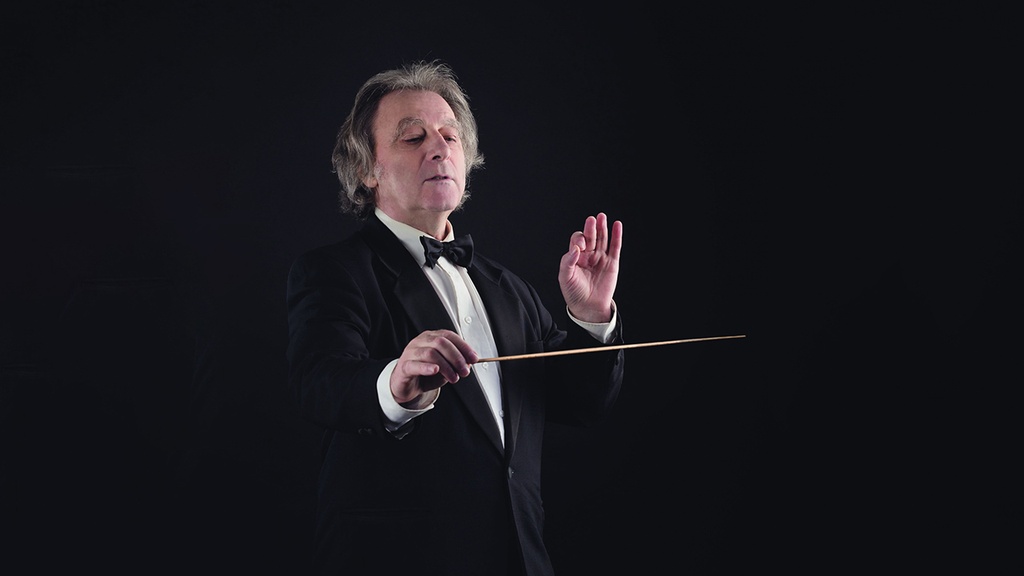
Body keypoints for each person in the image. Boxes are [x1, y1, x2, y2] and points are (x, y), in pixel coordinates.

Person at [286, 60, 624, 576]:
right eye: (413, 137)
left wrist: (591, 316)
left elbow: (580, 403)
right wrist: (395, 382)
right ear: (367, 169)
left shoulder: (508, 287)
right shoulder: (333, 271)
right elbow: (320, 382)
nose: (439, 148)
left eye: (450, 136)